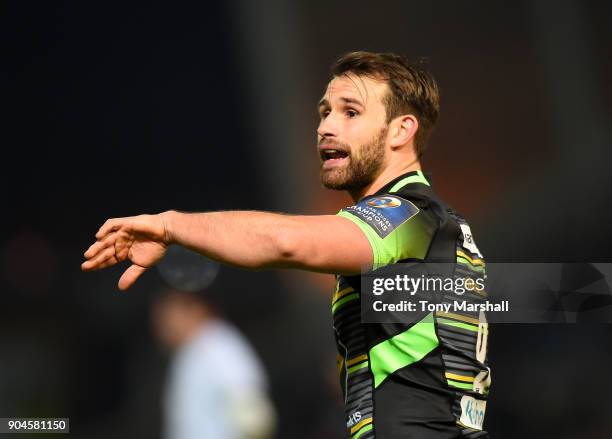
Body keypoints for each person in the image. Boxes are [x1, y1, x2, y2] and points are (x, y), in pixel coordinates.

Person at [82, 51, 491, 438]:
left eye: (351, 112)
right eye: (325, 112)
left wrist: (170, 226)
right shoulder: (435, 223)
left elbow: (285, 243)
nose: (326, 127)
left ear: (402, 129)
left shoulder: (407, 214)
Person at [152, 289, 276, 439]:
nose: (163, 328)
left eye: (168, 317)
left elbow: (251, 406)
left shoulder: (217, 343)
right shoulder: (188, 352)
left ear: (195, 309)